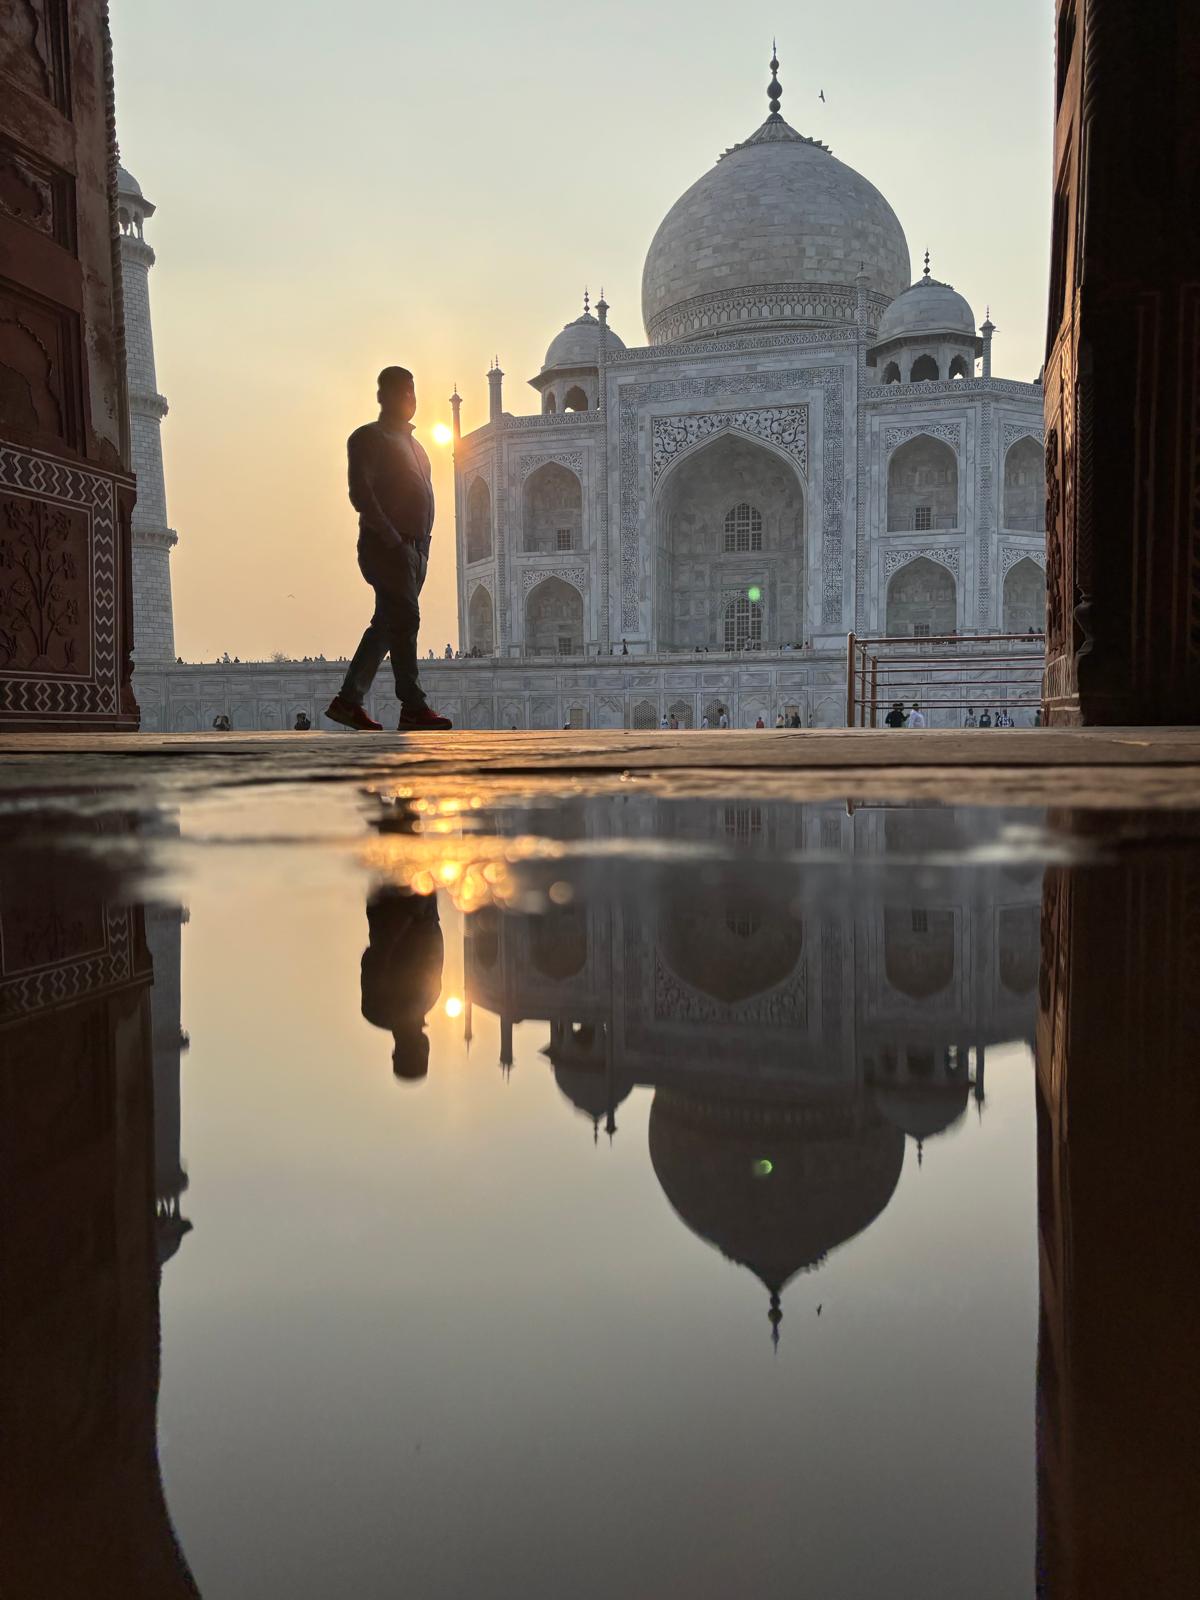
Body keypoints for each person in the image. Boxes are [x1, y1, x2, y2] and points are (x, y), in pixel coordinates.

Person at [324, 366, 452, 733]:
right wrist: (392, 538)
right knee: (406, 619)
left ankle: (348, 701)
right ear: (383, 396)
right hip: (387, 546)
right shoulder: (369, 438)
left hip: (415, 550)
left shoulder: (417, 447)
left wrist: (421, 548)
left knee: (387, 625)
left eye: (413, 393)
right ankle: (413, 705)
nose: (409, 400)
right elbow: (361, 493)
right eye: (402, 392)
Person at [360, 886, 444, 1081]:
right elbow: (368, 959)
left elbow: (372, 959)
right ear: (394, 1053)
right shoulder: (372, 1012)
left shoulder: (429, 998)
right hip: (387, 908)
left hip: (417, 904)